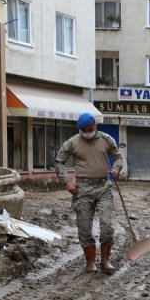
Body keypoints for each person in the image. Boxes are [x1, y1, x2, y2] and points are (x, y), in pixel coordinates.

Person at [54, 112, 123, 275]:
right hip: (82, 189)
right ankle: (90, 261)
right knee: (84, 227)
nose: (87, 132)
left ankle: (105, 260)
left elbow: (118, 157)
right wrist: (67, 181)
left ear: (95, 125)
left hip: (103, 187)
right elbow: (59, 162)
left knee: (107, 225)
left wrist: (116, 168)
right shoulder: (72, 142)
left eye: (89, 129)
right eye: (83, 130)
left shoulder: (106, 139)